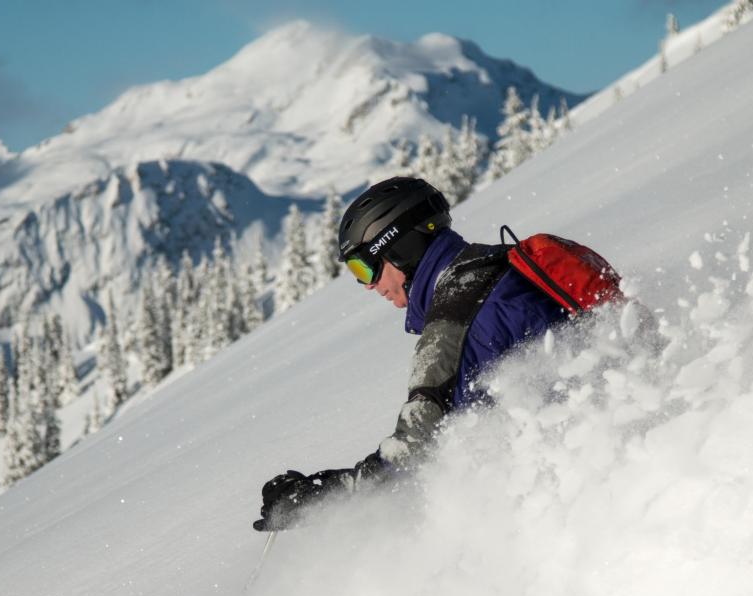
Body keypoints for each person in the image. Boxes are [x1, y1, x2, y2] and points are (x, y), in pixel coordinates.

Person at [253, 176, 615, 532]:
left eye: (365, 268)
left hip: (566, 507)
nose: (368, 286)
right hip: (601, 458)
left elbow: (408, 459)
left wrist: (317, 497)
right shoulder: (502, 266)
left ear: (398, 248)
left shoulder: (449, 325)